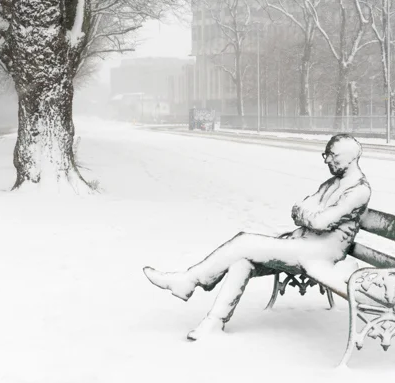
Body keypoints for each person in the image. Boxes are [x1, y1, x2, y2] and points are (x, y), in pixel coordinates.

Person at [143, 134, 371, 340]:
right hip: (303, 244)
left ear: (350, 158)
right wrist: (308, 215)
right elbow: (299, 210)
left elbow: (321, 222)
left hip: (321, 253)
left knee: (245, 241)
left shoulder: (358, 190)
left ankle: (188, 280)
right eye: (326, 154)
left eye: (332, 155)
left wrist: (308, 216)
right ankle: (214, 321)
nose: (326, 160)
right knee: (242, 261)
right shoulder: (331, 183)